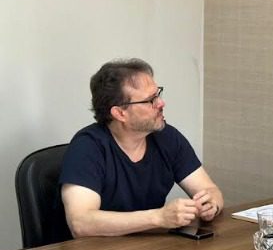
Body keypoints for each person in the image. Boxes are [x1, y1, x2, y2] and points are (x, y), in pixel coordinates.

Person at [59, 58, 224, 237]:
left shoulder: (167, 137)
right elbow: (81, 223)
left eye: (158, 94)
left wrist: (211, 204)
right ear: (120, 113)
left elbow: (210, 190)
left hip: (149, 247)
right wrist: (158, 217)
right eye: (150, 100)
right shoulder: (87, 147)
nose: (161, 103)